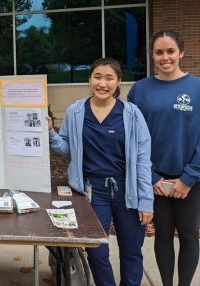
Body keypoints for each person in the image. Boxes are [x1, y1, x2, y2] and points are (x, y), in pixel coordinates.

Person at [48, 58, 154, 286]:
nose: (102, 83)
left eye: (109, 78)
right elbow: (67, 148)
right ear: (89, 79)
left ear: (118, 82)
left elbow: (143, 160)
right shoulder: (76, 111)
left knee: (131, 249)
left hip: (128, 190)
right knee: (96, 250)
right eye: (97, 77)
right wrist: (49, 133)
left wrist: (146, 200)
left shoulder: (132, 114)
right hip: (93, 191)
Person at [127, 30, 200, 286]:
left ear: (181, 52)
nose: (165, 57)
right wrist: (152, 176)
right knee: (163, 236)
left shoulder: (197, 88)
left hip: (190, 181)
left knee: (190, 236)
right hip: (154, 180)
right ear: (152, 55)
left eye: (170, 51)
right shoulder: (140, 90)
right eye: (159, 52)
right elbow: (132, 139)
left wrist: (190, 177)